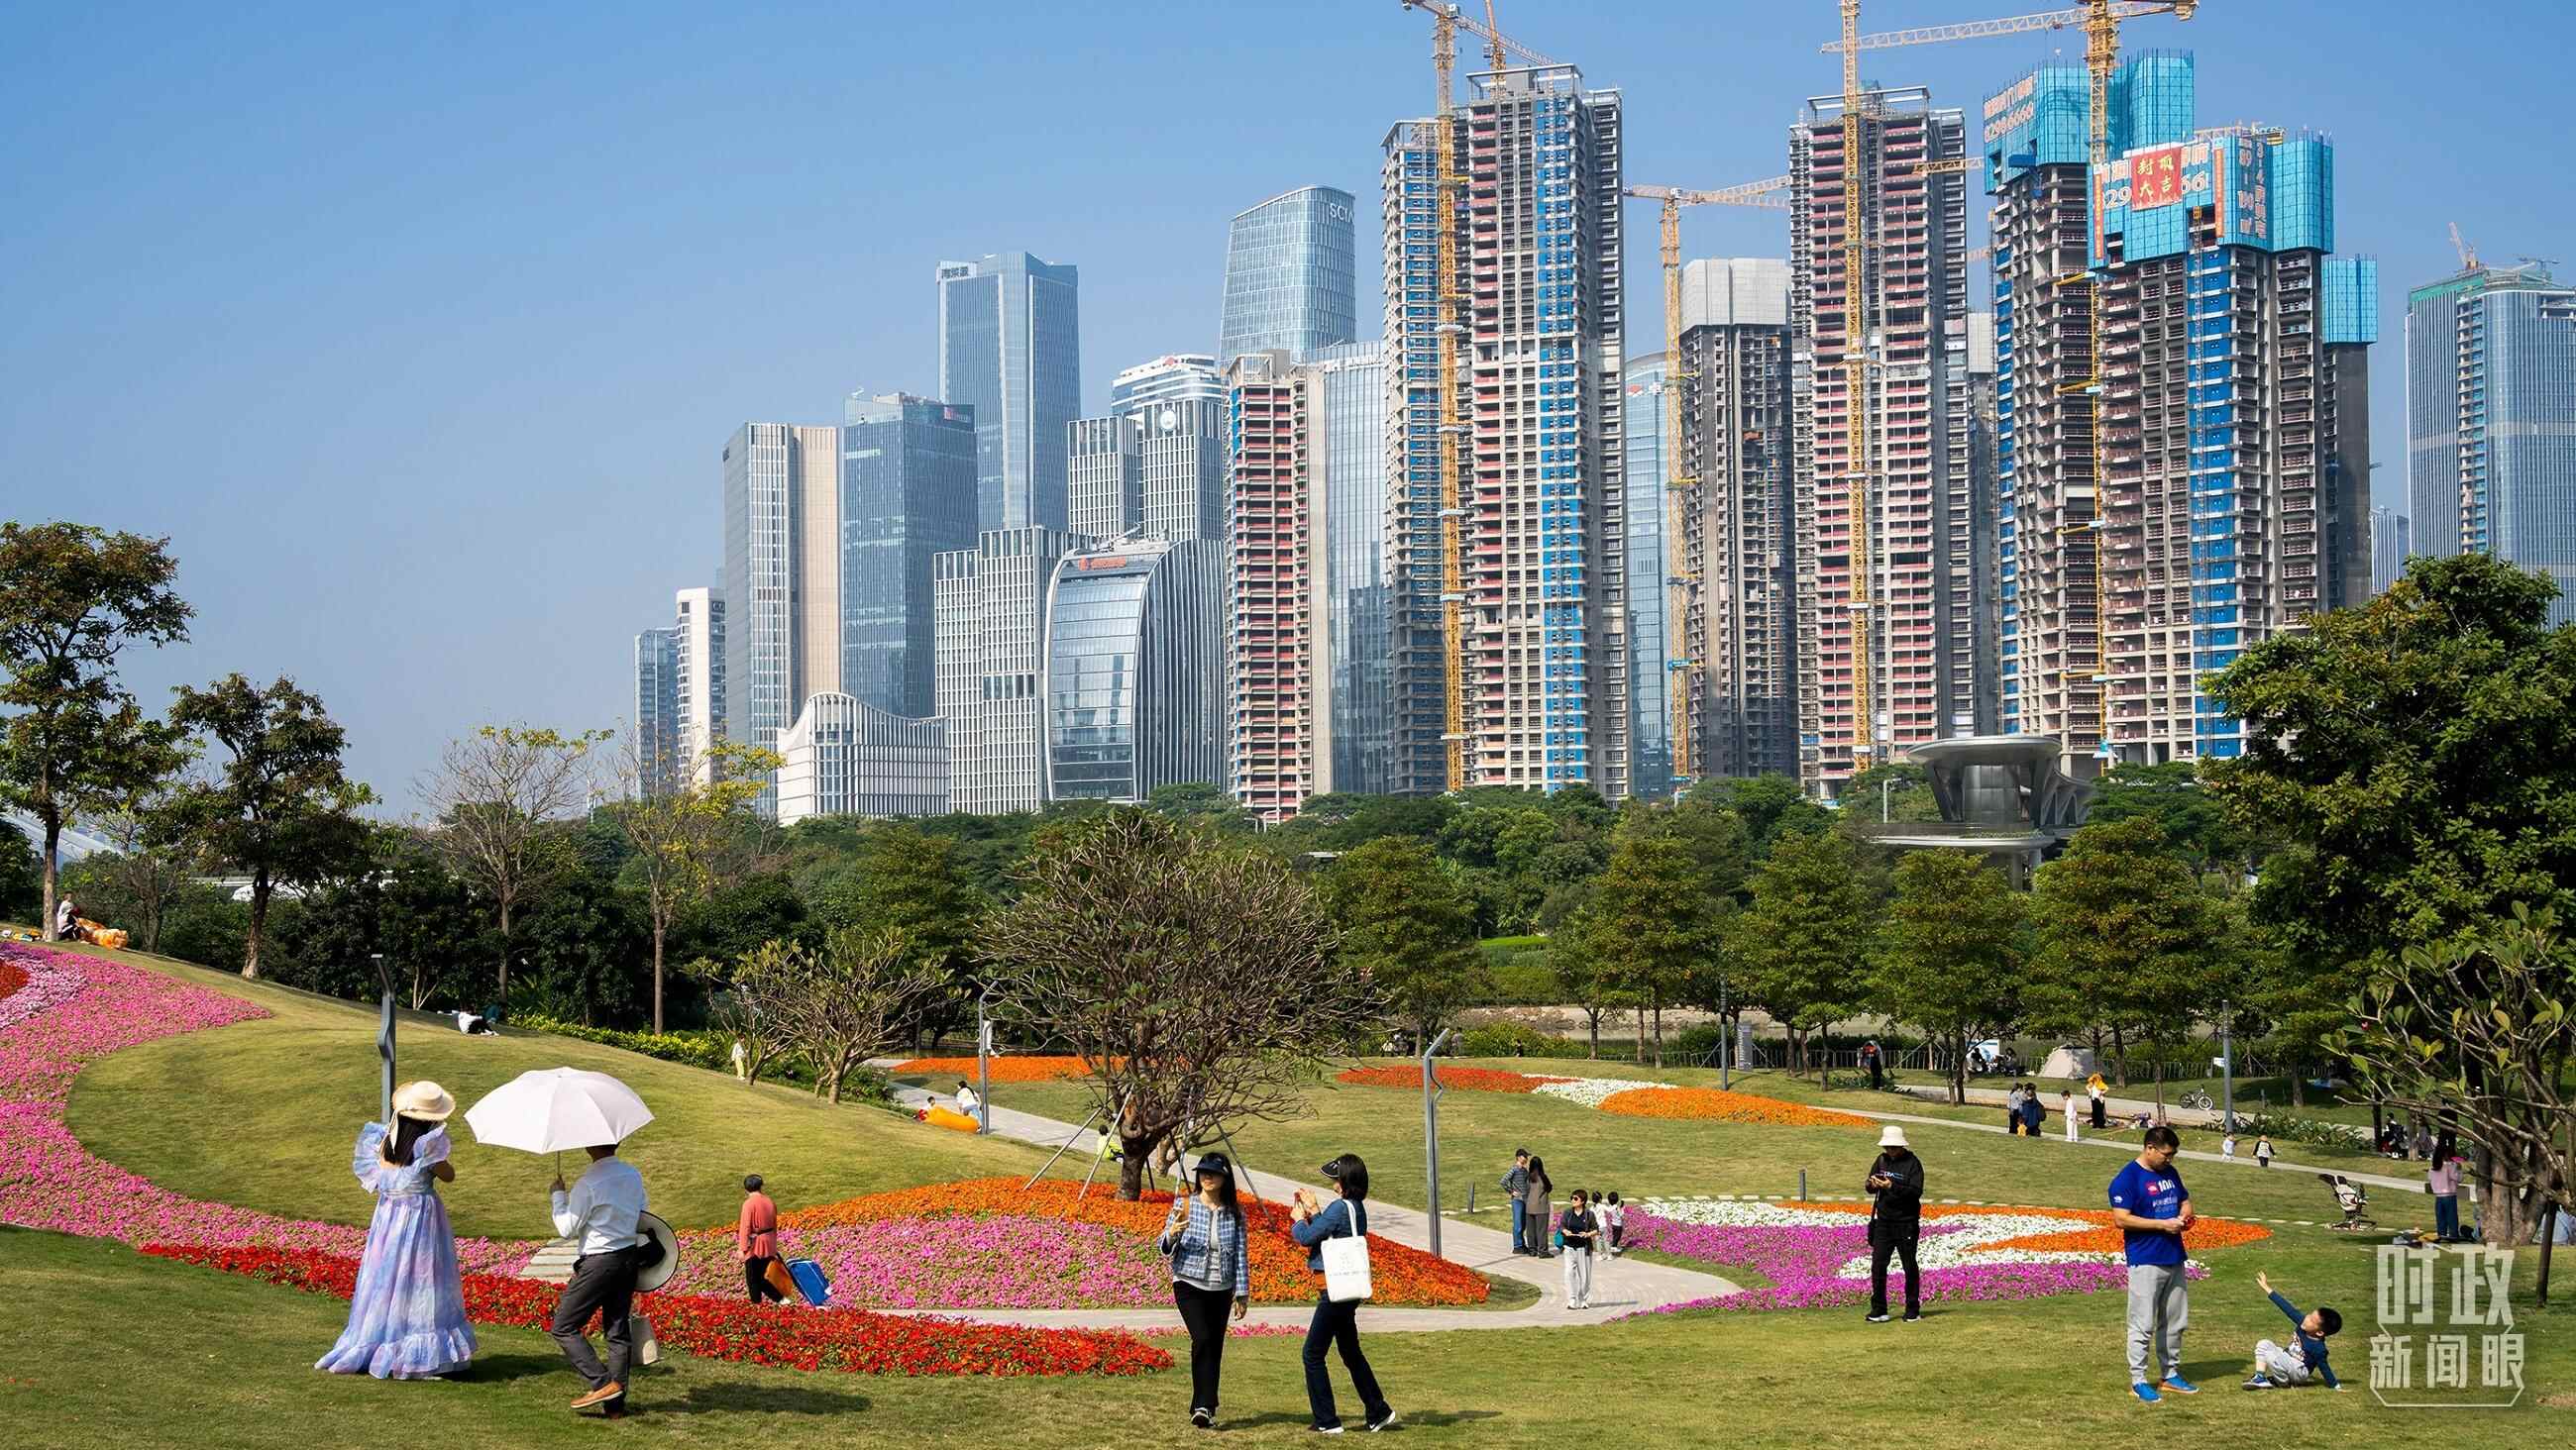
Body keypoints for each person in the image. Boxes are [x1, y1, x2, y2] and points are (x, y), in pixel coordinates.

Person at [316, 1081, 477, 1379]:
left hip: (388, 1221)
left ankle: (378, 1340)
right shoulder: (428, 1147)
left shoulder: (383, 1144)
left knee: (386, 1279)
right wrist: (437, 1157)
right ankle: (414, 1353)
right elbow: (449, 1175)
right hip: (420, 1221)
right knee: (421, 1280)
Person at [1289, 1154, 1395, 1434]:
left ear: (1345, 1180)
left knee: (1312, 1354)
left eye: (1336, 1179)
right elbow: (1330, 1233)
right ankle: (1378, 1410)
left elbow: (1307, 1238)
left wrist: (1299, 1220)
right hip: (1348, 1289)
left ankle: (1327, 1420)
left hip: (1333, 1290)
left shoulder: (1339, 1207)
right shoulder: (1356, 1208)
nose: (1333, 1184)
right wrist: (1315, 1211)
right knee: (1350, 1351)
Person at [549, 1139, 650, 1417]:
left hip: (600, 1261)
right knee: (617, 1332)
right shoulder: (632, 1174)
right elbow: (643, 1211)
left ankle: (603, 1383)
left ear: (588, 1146)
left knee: (563, 1326)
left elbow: (567, 1228)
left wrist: (558, 1196)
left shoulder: (589, 1183)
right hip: (627, 1257)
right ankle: (615, 1408)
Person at [1159, 1153, 1250, 1428]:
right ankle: (1203, 1404)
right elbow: (1164, 1247)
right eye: (1203, 1172)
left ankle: (1204, 1407)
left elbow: (1241, 1254)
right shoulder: (1184, 1204)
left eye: (1213, 1173)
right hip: (1188, 1284)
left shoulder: (1235, 1213)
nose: (1207, 1177)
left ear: (1225, 1178)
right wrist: (1172, 1233)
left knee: (1214, 1345)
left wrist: (1242, 1293)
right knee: (1202, 1339)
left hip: (1221, 1288)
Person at [2108, 1125, 2198, 1403]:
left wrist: (2184, 1215)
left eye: (2173, 1155)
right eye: (2166, 1154)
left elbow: (2185, 1200)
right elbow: (2121, 1219)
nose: (2169, 1159)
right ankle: (2138, 1380)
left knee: (2175, 1321)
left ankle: (2169, 1375)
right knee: (2142, 1323)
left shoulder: (2169, 1173)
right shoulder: (2127, 1179)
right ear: (2149, 1148)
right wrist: (2161, 1225)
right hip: (2145, 1260)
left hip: (2174, 1256)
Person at [1864, 1125, 1925, 1323]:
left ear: (1901, 1146)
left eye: (1893, 1147)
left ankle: (1912, 1309)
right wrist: (1872, 1184)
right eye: (1887, 1147)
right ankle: (1879, 1309)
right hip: (1884, 1221)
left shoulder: (1913, 1164)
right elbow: (1869, 1186)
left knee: (1909, 1265)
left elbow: (1915, 1192)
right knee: (1878, 1265)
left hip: (1906, 1222)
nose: (1890, 1151)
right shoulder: (1881, 1160)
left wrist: (1892, 1186)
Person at [2241, 1272, 2343, 1391]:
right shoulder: (2303, 1324)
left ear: (2319, 1332)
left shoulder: (2319, 1348)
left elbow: (2324, 1368)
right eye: (2309, 1315)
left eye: (2311, 1320)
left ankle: (2282, 1382)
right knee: (2263, 1344)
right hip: (2287, 1360)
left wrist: (2336, 1386)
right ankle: (2260, 1377)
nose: (2307, 1318)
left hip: (2299, 1371)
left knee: (2272, 1356)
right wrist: (2266, 1287)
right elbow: (2287, 1308)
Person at [738, 1174, 785, 1304]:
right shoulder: (769, 1201)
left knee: (753, 1279)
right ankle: (781, 1300)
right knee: (763, 1276)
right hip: (769, 1242)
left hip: (756, 1245)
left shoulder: (748, 1204)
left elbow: (745, 1227)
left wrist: (742, 1248)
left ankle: (759, 1305)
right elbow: (774, 1224)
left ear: (746, 1189)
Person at [1558, 1190, 1602, 1309]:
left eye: (1575, 1198)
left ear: (1582, 1201)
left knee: (1585, 1277)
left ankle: (1583, 1299)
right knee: (1569, 1273)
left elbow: (1596, 1229)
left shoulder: (1589, 1214)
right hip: (1569, 1247)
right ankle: (1572, 1299)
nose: (1573, 1200)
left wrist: (1588, 1234)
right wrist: (1565, 1231)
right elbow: (1561, 1226)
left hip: (1584, 1248)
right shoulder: (1568, 1213)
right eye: (1572, 1198)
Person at [2427, 1134, 2462, 1241]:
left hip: (2438, 1196)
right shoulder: (2450, 1166)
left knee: (2440, 1217)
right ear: (2445, 1154)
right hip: (2449, 1195)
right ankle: (2453, 1235)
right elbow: (2457, 1178)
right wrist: (2459, 1169)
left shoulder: (2432, 1168)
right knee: (2451, 1217)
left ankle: (2441, 1234)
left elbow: (2430, 1179)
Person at [1522, 1154, 1555, 1259]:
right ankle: (1543, 1251)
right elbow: (1549, 1188)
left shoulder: (1528, 1178)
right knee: (1541, 1230)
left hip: (1529, 1206)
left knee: (1530, 1230)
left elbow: (1525, 1191)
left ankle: (1532, 1250)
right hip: (1541, 1207)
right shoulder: (1543, 1177)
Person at [1500, 1149, 1533, 1255]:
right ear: (1518, 1157)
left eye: (1527, 1157)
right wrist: (1511, 1191)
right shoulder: (1514, 1169)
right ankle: (1517, 1246)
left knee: (1523, 1224)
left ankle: (1522, 1245)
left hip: (1526, 1200)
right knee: (1518, 1224)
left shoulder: (1524, 1170)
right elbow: (1503, 1181)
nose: (1526, 1159)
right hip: (1517, 1201)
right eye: (1524, 1156)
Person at [1601, 1191, 1627, 1256]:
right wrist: (1622, 1208)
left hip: (1613, 1224)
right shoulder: (1617, 1207)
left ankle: (1613, 1246)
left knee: (1615, 1235)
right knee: (1618, 1236)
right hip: (1618, 1225)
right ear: (1617, 1199)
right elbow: (1621, 1214)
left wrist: (1620, 1206)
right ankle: (1613, 1247)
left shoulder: (1611, 1206)